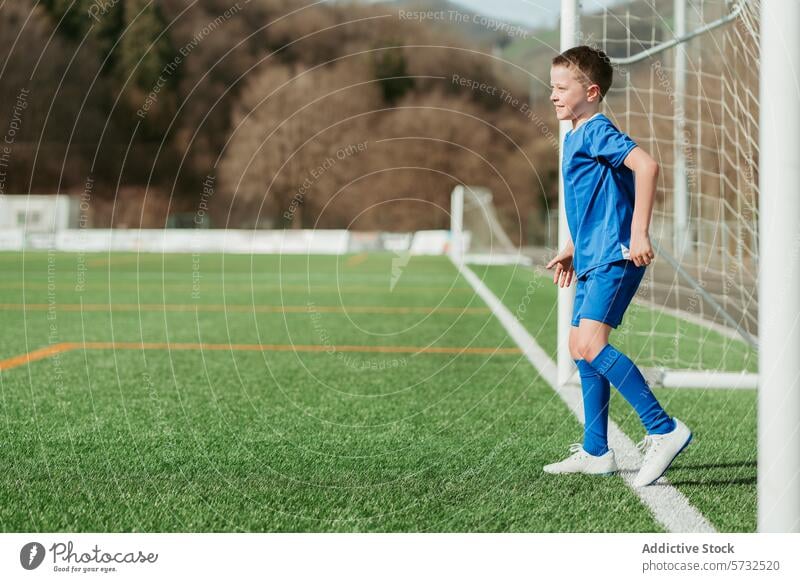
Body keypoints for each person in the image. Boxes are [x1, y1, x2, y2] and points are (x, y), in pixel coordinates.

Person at [542, 45, 693, 487]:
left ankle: (663, 429)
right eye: (550, 86)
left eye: (561, 87)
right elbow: (589, 202)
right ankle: (595, 451)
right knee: (578, 345)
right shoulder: (573, 136)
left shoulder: (596, 130)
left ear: (590, 91)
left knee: (590, 344)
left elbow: (647, 166)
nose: (552, 95)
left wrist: (640, 234)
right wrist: (571, 245)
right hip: (591, 256)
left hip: (615, 254)